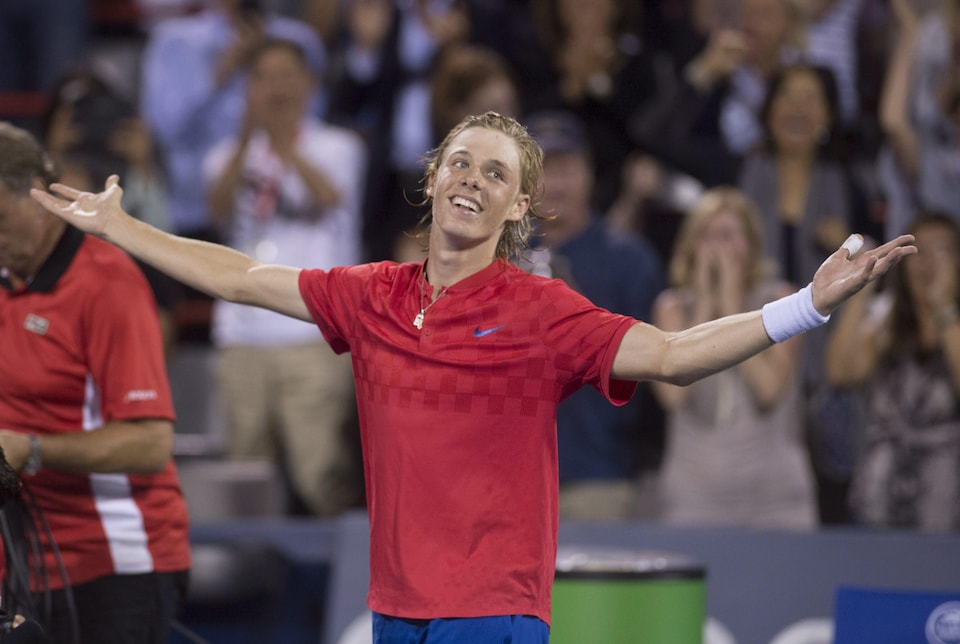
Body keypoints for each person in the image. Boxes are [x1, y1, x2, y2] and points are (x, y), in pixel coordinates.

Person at [29, 111, 914, 643]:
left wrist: (808, 302)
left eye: (497, 175)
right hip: (393, 603)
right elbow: (235, 275)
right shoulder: (370, 294)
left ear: (518, 206)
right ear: (432, 178)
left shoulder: (543, 310)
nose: (474, 181)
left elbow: (675, 358)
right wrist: (120, 228)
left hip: (493, 608)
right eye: (462, 162)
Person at [0, 122, 191, 644]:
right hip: (20, 565)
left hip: (114, 563)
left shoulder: (106, 281)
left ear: (37, 199)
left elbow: (151, 442)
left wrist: (28, 449)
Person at [204, 38, 365, 516]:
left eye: (286, 75)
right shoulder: (225, 155)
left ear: (310, 84)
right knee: (245, 480)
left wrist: (282, 143)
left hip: (313, 334)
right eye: (264, 77)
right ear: (248, 88)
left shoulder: (339, 146)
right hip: (241, 335)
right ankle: (254, 586)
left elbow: (327, 198)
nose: (276, 87)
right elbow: (215, 210)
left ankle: (339, 587)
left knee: (321, 477)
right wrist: (248, 141)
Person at [524, 110, 665, 521]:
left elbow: (653, 370)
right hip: (510, 473)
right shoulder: (497, 258)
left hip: (598, 475)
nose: (556, 184)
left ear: (588, 174)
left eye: (566, 169)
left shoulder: (629, 259)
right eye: (543, 170)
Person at [651, 188, 817, 528]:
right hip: (695, 495)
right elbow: (673, 394)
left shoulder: (781, 301)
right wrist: (704, 307)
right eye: (708, 236)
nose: (717, 248)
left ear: (752, 246)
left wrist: (730, 307)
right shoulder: (672, 308)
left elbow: (769, 390)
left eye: (728, 236)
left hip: (775, 497)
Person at [825, 212, 960, 532]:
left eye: (942, 250)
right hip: (878, 498)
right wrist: (861, 286)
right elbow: (840, 372)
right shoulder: (885, 323)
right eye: (919, 252)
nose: (928, 265)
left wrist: (942, 308)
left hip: (947, 505)